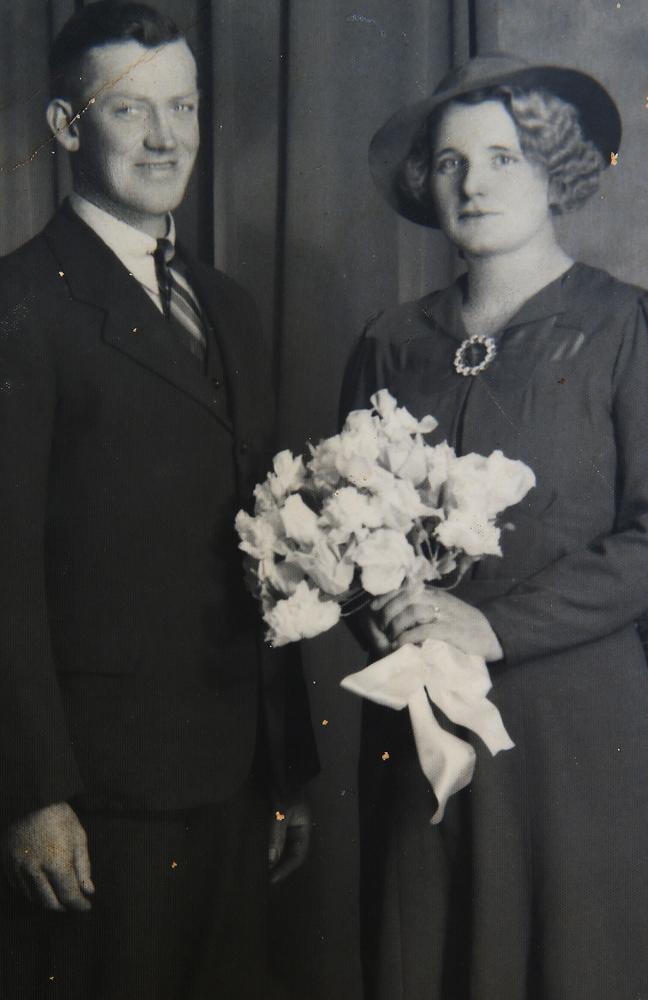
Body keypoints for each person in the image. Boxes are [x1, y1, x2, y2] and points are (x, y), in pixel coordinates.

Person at [0, 4, 317, 998]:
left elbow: (270, 542)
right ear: (64, 127)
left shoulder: (225, 302)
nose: (166, 136)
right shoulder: (20, 305)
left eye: (180, 105)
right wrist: (32, 792)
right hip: (100, 795)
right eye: (130, 109)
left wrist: (286, 766)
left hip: (234, 776)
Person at [341, 54, 648, 1000]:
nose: (472, 183)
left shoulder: (625, 328)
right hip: (422, 723)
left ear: (553, 167)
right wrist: (385, 609)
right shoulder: (391, 340)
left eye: (503, 157)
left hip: (573, 731)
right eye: (449, 163)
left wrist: (493, 626)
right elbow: (343, 531)